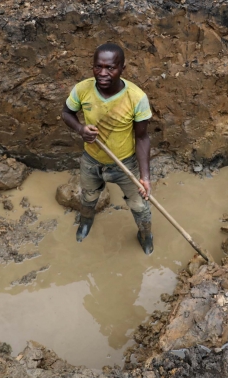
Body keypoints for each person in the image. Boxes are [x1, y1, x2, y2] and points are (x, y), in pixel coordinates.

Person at [61, 42, 154, 255]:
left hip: (125, 163)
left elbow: (142, 138)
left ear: (122, 68)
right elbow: (66, 113)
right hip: (91, 160)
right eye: (98, 67)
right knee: (88, 196)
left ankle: (145, 234)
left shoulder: (136, 98)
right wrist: (80, 129)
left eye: (110, 68)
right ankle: (85, 222)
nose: (102, 73)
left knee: (140, 206)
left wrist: (145, 176)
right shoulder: (82, 89)